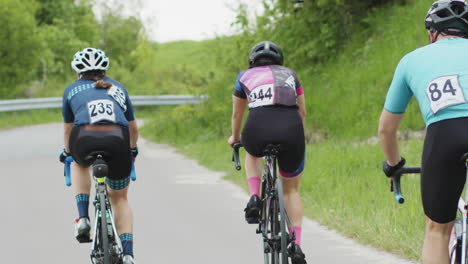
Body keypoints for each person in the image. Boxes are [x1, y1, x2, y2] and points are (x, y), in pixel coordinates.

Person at [378, 1, 468, 263]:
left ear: (431, 34)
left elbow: (386, 129)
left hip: (445, 135)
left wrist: (394, 165)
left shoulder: (411, 60)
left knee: (437, 230)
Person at [228, 41, 307, 264]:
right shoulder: (291, 75)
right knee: (291, 190)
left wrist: (235, 138)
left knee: (251, 151)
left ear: (252, 62)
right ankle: (297, 245)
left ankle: (255, 196)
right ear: (279, 62)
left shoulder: (244, 76)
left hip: (258, 126)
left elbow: (237, 115)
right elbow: (302, 111)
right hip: (292, 128)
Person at [59, 47, 139, 264]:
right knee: (120, 198)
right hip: (118, 140)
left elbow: (68, 130)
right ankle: (129, 254)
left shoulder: (71, 90)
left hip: (84, 139)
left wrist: (68, 152)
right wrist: (132, 151)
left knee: (78, 163)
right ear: (105, 70)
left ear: (78, 72)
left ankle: (83, 218)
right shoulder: (119, 88)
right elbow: (133, 128)